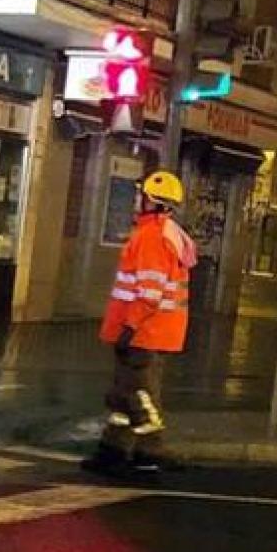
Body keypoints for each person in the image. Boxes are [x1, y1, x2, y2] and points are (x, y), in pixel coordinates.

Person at [84, 170, 197, 475]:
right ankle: (113, 448)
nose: (136, 200)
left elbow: (149, 292)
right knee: (123, 392)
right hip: (148, 330)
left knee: (139, 392)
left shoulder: (153, 237)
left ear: (152, 201)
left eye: (141, 195)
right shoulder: (162, 233)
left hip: (143, 332)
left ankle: (152, 448)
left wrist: (130, 328)